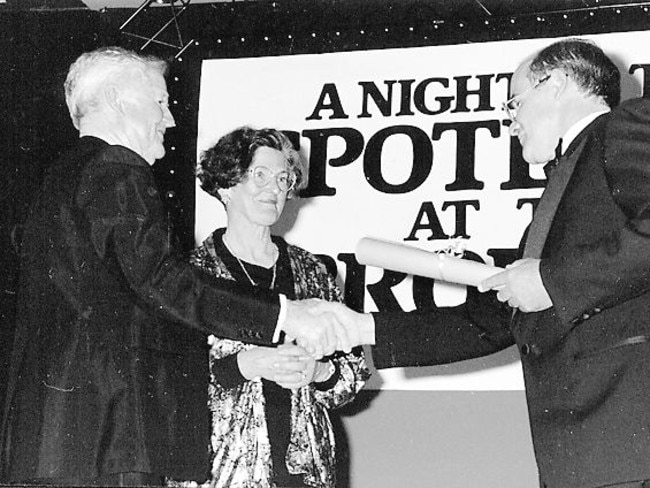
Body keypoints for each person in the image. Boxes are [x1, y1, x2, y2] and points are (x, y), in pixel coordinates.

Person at [0, 47, 353, 487]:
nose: (169, 120)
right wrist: (283, 314)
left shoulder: (60, 177)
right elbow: (162, 280)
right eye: (161, 102)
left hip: (57, 438)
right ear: (115, 97)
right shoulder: (117, 169)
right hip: (110, 437)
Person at [321, 38, 650, 488]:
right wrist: (364, 330)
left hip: (630, 440)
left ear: (555, 85)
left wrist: (552, 281)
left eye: (515, 102)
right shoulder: (564, 179)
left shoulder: (623, 127)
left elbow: (551, 285)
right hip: (586, 455)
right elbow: (500, 318)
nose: (509, 121)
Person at [179, 126, 370, 488]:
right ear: (225, 185)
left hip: (305, 473)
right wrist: (243, 366)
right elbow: (169, 384)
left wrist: (318, 372)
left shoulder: (312, 271)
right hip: (220, 473)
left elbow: (353, 374)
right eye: (260, 175)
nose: (274, 188)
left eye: (283, 178)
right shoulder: (191, 275)